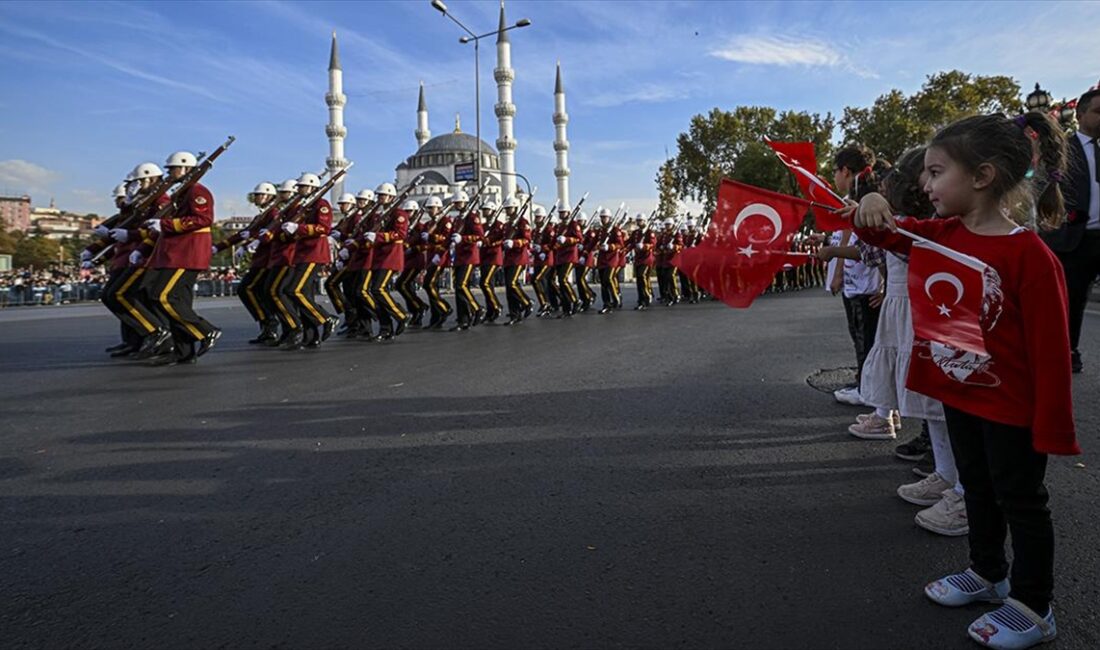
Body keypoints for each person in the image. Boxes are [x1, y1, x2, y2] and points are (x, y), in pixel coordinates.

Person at [854, 112, 1079, 650]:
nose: (923, 185)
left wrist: (1052, 427)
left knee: (1022, 502)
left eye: (935, 172)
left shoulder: (1031, 255)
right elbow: (879, 231)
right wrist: (869, 204)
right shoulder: (940, 235)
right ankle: (987, 573)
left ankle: (1033, 603)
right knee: (975, 489)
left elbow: (1051, 354)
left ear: (981, 177)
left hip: (1013, 409)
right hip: (962, 397)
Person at [1039, 87, 1100, 373]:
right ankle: (1067, 350)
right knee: (1072, 299)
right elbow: (1044, 189)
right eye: (1098, 112)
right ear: (1080, 114)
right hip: (1076, 238)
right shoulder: (1063, 149)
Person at [140, 151, 220, 366]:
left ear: (185, 168)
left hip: (187, 253)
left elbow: (203, 218)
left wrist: (165, 225)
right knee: (177, 301)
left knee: (162, 296)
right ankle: (184, 351)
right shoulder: (183, 192)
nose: (170, 173)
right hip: (177, 253)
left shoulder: (197, 190)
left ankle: (205, 330)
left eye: (173, 168)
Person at [827, 145, 883, 406]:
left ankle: (869, 391)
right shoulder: (860, 196)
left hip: (866, 285)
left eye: (835, 171)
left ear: (845, 171)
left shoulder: (867, 199)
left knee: (867, 340)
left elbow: (874, 247)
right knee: (862, 338)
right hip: (860, 283)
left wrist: (833, 256)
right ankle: (866, 383)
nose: (834, 178)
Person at [282, 172, 337, 350]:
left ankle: (325, 318)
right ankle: (311, 336)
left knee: (294, 290)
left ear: (312, 186)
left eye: (302, 186)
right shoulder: (304, 206)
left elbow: (324, 228)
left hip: (314, 253)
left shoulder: (321, 204)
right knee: (305, 295)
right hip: (302, 253)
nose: (299, 189)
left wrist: (299, 227)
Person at [367, 194, 410, 340]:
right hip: (379, 256)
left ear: (391, 197)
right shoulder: (382, 214)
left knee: (378, 289)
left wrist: (378, 237)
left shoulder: (399, 214)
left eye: (384, 196)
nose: (380, 198)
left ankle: (401, 315)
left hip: (391, 256)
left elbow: (401, 234)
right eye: (379, 195)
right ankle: (385, 328)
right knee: (375, 292)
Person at [423, 192, 457, 329]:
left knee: (429, 284)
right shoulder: (430, 223)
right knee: (432, 287)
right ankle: (436, 317)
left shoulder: (445, 221)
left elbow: (446, 238)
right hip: (431, 256)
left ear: (438, 208)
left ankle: (444, 308)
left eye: (431, 208)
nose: (429, 211)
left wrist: (431, 238)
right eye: (428, 208)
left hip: (440, 256)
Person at [450, 194, 484, 331]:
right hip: (459, 256)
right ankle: (463, 319)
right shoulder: (458, 219)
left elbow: (479, 236)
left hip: (469, 256)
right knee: (459, 289)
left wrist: (463, 239)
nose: (457, 205)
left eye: (459, 202)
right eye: (456, 203)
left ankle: (477, 308)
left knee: (461, 285)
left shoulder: (472, 217)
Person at [396, 197, 431, 328]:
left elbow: (426, 245)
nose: (407, 214)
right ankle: (415, 311)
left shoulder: (420, 227)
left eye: (410, 211)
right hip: (407, 260)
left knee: (401, 284)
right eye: (406, 211)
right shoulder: (406, 226)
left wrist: (412, 249)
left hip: (416, 260)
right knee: (406, 287)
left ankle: (420, 307)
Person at [502, 203, 535, 325]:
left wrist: (514, 243)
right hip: (508, 259)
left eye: (509, 207)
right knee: (509, 288)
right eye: (506, 208)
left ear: (515, 208)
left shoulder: (522, 222)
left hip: (519, 258)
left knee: (512, 283)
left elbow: (527, 239)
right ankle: (515, 314)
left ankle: (527, 302)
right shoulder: (508, 224)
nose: (507, 209)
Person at [479, 198, 507, 323]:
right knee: (488, 285)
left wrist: (489, 242)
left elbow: (502, 239)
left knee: (484, 283)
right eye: (484, 210)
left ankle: (496, 306)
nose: (484, 212)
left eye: (487, 210)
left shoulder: (499, 225)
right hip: (484, 257)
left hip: (494, 257)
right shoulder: (484, 226)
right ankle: (491, 310)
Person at [596, 208, 625, 313]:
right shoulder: (601, 230)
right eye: (602, 217)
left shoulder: (615, 230)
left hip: (612, 259)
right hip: (602, 259)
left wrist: (610, 246)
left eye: (605, 217)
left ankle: (616, 297)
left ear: (609, 218)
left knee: (608, 278)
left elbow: (620, 244)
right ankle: (606, 304)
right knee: (603, 283)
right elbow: (594, 242)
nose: (603, 219)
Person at [629, 214, 656, 310]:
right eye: (638, 221)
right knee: (639, 280)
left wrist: (644, 246)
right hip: (638, 259)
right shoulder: (636, 233)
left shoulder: (649, 232)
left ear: (645, 221)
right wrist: (624, 249)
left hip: (647, 258)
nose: (639, 222)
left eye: (641, 220)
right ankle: (641, 299)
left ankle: (646, 297)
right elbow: (631, 242)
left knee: (642, 276)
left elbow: (653, 244)